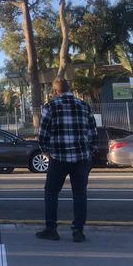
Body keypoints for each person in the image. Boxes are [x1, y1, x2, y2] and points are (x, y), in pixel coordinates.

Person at [36, 78, 97, 243]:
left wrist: (47, 152)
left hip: (59, 158)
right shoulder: (84, 106)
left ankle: (51, 229)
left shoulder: (50, 107)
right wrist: (90, 151)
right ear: (70, 89)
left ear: (55, 91)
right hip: (81, 158)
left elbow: (43, 135)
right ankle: (78, 231)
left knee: (51, 192)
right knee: (79, 194)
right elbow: (93, 133)